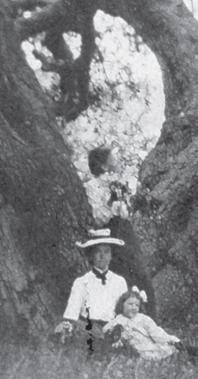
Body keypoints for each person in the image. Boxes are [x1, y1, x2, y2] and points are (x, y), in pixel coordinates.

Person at [85, 145, 158, 318]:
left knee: (141, 274)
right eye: (112, 157)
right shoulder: (92, 186)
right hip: (110, 234)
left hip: (125, 231)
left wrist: (126, 202)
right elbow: (98, 217)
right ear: (103, 166)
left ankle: (149, 319)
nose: (116, 160)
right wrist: (111, 201)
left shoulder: (117, 182)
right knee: (123, 276)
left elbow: (124, 213)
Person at [54, 228, 129, 356]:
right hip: (88, 330)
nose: (102, 256)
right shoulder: (81, 282)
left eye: (106, 252)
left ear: (111, 255)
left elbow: (125, 312)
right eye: (98, 252)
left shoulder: (119, 281)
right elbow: (72, 313)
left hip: (112, 330)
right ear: (91, 256)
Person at [103, 288, 181, 361]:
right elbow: (106, 330)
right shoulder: (118, 320)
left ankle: (175, 349)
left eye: (137, 305)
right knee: (122, 351)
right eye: (130, 304)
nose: (134, 307)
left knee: (165, 348)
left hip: (147, 346)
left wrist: (172, 340)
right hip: (130, 347)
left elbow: (156, 333)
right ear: (122, 304)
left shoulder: (143, 319)